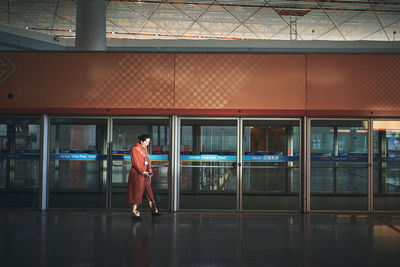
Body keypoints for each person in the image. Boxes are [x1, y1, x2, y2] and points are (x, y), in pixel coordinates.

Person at [126, 134, 161, 219]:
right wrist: (143, 171)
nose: (148, 144)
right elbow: (136, 163)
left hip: (144, 174)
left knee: (149, 192)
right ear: (141, 141)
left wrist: (149, 169)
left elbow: (147, 160)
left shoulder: (144, 148)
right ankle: (135, 213)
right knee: (136, 194)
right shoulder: (134, 149)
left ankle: (154, 210)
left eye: (149, 142)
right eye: (146, 142)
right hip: (137, 175)